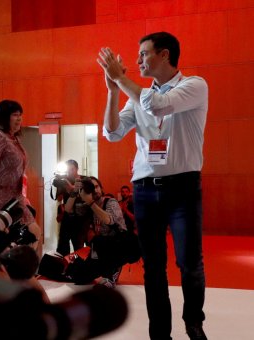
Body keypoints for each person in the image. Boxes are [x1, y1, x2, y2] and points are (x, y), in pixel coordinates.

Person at [98, 31, 208, 340]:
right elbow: (112, 133)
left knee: (189, 262)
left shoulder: (194, 86)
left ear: (164, 55)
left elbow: (159, 106)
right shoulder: (137, 95)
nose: (137, 61)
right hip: (145, 189)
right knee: (153, 268)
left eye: (144, 54)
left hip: (183, 187)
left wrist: (121, 79)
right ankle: (160, 333)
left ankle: (193, 321)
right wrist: (112, 90)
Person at [0, 99, 42, 256]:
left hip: (16, 198)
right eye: (15, 115)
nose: (19, 118)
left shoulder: (14, 139)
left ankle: (19, 271)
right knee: (13, 239)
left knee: (33, 233)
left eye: (20, 115)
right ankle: (14, 272)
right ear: (4, 117)